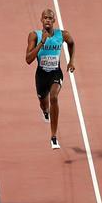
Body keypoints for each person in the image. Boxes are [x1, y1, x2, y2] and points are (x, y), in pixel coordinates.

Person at [25, 9, 76, 149]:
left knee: (54, 97)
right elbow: (28, 59)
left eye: (50, 18)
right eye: (45, 18)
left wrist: (71, 61)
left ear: (54, 20)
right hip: (41, 75)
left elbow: (71, 43)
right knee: (44, 103)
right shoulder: (34, 35)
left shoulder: (63, 35)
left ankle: (53, 137)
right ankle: (45, 111)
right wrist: (42, 42)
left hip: (55, 73)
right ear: (41, 20)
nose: (47, 20)